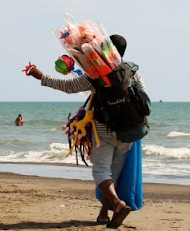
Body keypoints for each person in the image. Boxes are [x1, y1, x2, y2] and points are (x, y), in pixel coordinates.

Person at [27, 34, 145, 228]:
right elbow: (144, 97)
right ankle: (103, 215)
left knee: (101, 172)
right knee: (113, 172)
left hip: (103, 130)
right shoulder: (132, 72)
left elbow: (69, 86)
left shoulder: (97, 73)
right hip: (128, 130)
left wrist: (42, 77)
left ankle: (117, 203)